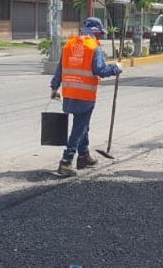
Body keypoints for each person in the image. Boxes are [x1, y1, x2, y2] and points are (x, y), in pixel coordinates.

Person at [50, 17, 122, 176]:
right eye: (100, 35)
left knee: (83, 125)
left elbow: (59, 69)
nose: (101, 38)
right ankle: (66, 161)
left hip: (69, 93)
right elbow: (100, 71)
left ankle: (83, 156)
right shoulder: (94, 48)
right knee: (80, 127)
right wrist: (116, 68)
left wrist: (54, 87)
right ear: (96, 33)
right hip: (84, 94)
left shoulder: (69, 45)